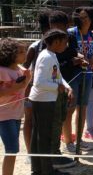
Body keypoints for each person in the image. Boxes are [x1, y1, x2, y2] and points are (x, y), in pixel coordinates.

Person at [30, 29, 73, 175]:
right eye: (64, 42)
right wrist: (58, 87)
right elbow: (39, 82)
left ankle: (39, 169)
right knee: (44, 137)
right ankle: (45, 171)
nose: (66, 45)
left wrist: (67, 86)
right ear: (56, 42)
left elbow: (57, 76)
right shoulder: (46, 57)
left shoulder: (52, 55)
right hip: (43, 101)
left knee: (40, 136)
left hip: (47, 99)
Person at [61, 7, 93, 153]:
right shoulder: (71, 33)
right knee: (69, 108)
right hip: (72, 75)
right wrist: (77, 57)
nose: (83, 20)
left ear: (91, 18)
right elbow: (65, 52)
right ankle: (68, 142)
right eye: (81, 17)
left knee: (82, 108)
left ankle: (79, 140)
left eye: (86, 17)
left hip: (87, 74)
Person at [22, 10, 51, 161]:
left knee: (45, 121)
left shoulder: (58, 46)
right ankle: (30, 153)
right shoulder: (35, 46)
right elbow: (24, 67)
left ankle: (44, 152)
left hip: (49, 90)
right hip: (33, 88)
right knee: (29, 120)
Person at [0, 38, 31, 175]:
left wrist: (27, 78)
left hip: (17, 114)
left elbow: (23, 87)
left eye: (25, 51)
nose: (25, 54)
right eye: (21, 52)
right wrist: (17, 87)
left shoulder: (20, 70)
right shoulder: (2, 71)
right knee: (12, 150)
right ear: (10, 54)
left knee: (13, 150)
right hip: (4, 116)